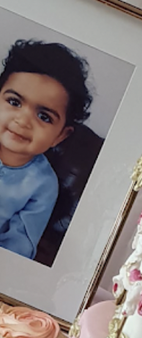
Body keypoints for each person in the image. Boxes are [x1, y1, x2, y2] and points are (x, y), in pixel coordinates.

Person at [0, 39, 92, 259]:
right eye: (14, 102)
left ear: (60, 135)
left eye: (44, 116)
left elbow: (19, 246)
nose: (23, 120)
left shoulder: (43, 185)